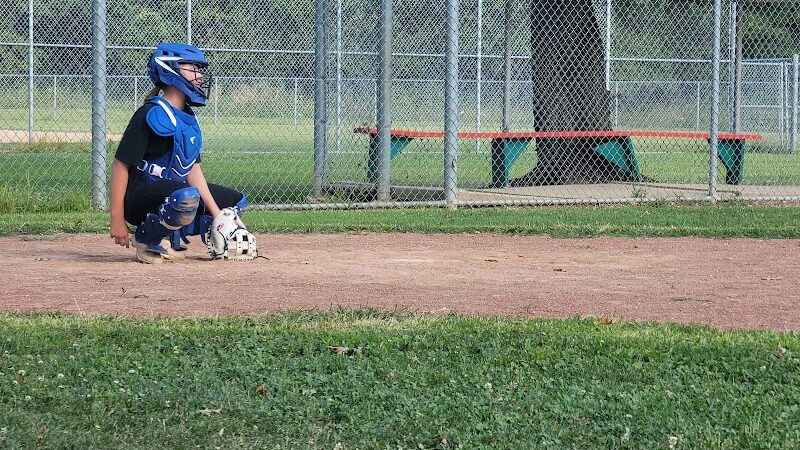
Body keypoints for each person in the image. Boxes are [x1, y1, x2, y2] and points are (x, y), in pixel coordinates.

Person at [109, 42, 248, 263]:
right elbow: (120, 165)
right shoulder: (150, 114)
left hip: (175, 193)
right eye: (192, 68)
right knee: (186, 195)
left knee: (236, 202)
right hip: (139, 198)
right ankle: (146, 240)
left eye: (199, 69)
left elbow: (193, 170)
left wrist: (219, 216)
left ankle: (190, 235)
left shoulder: (188, 117)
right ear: (170, 69)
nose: (199, 76)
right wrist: (117, 217)